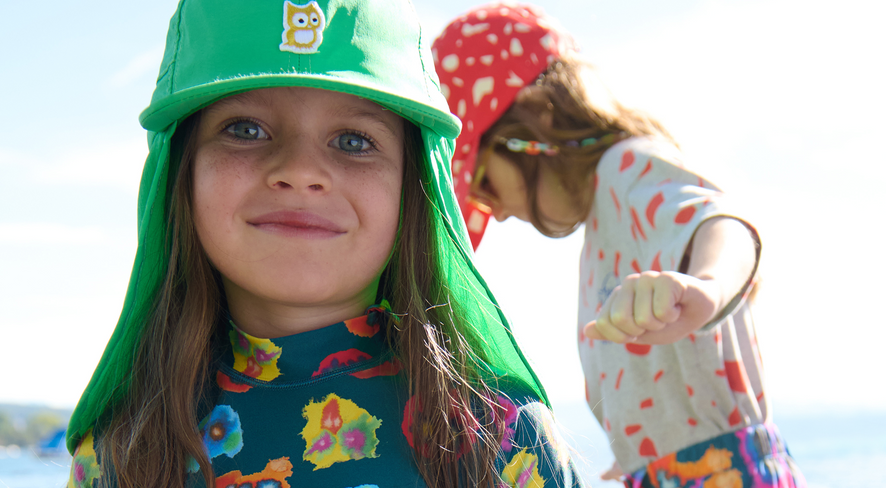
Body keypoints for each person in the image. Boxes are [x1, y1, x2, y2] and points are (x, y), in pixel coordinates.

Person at [64, 1, 584, 487]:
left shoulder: (501, 442)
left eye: (355, 142)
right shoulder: (120, 453)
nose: (300, 171)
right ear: (181, 173)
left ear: (415, 190)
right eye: (246, 129)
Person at [432, 3, 805, 487]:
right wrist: (646, 453)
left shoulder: (629, 168)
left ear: (532, 128)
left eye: (484, 185)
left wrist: (707, 287)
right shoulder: (603, 226)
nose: (495, 212)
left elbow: (723, 222)